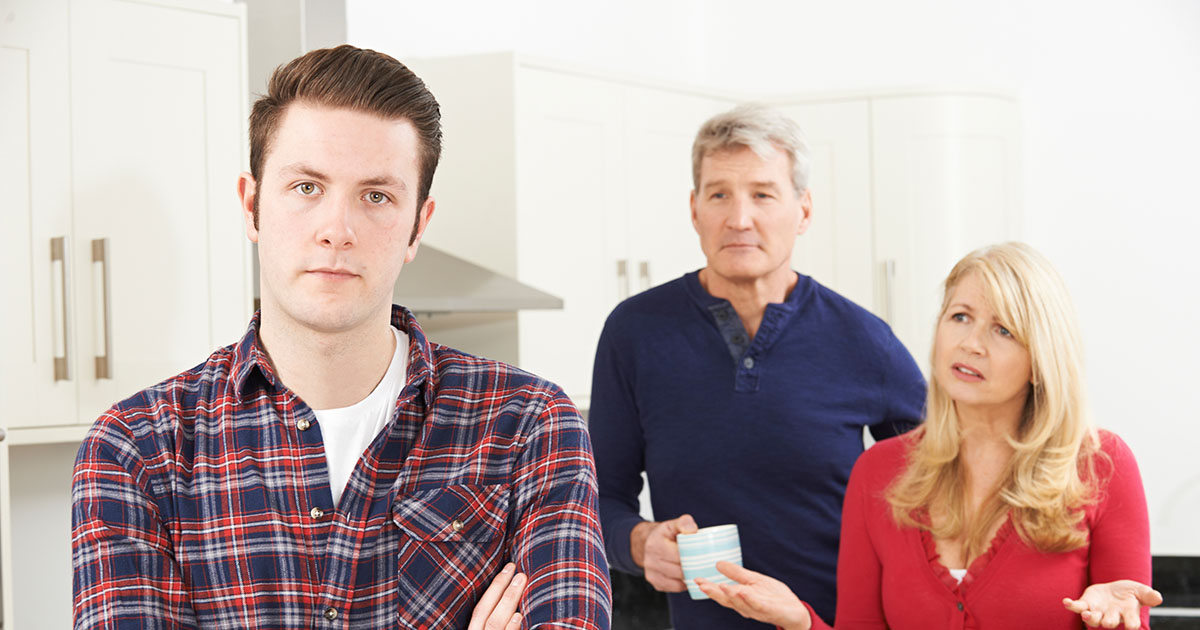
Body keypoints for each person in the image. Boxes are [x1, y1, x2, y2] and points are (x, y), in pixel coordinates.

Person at [71, 45, 611, 630]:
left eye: (376, 196)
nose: (337, 230)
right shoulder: (138, 449)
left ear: (417, 226)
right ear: (252, 207)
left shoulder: (529, 422)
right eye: (307, 187)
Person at [697, 242, 1161, 629]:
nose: (970, 343)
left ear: (1042, 360)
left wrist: (1116, 623)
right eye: (960, 317)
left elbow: (1126, 612)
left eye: (1002, 330)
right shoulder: (878, 471)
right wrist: (801, 621)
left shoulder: (1102, 465)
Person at [588, 103, 927, 628]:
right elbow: (599, 498)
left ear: (804, 211)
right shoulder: (634, 333)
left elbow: (941, 486)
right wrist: (637, 542)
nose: (739, 219)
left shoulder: (865, 341)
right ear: (695, 209)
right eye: (719, 194)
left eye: (763, 195)